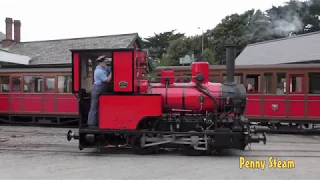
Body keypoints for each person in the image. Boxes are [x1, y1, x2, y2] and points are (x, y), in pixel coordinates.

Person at [87, 55, 112, 128]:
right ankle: (91, 123)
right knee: (94, 106)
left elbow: (108, 69)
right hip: (97, 88)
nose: (106, 63)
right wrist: (112, 73)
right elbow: (107, 80)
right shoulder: (98, 71)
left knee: (98, 106)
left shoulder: (104, 68)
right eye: (105, 62)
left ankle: (97, 121)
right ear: (101, 63)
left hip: (100, 88)